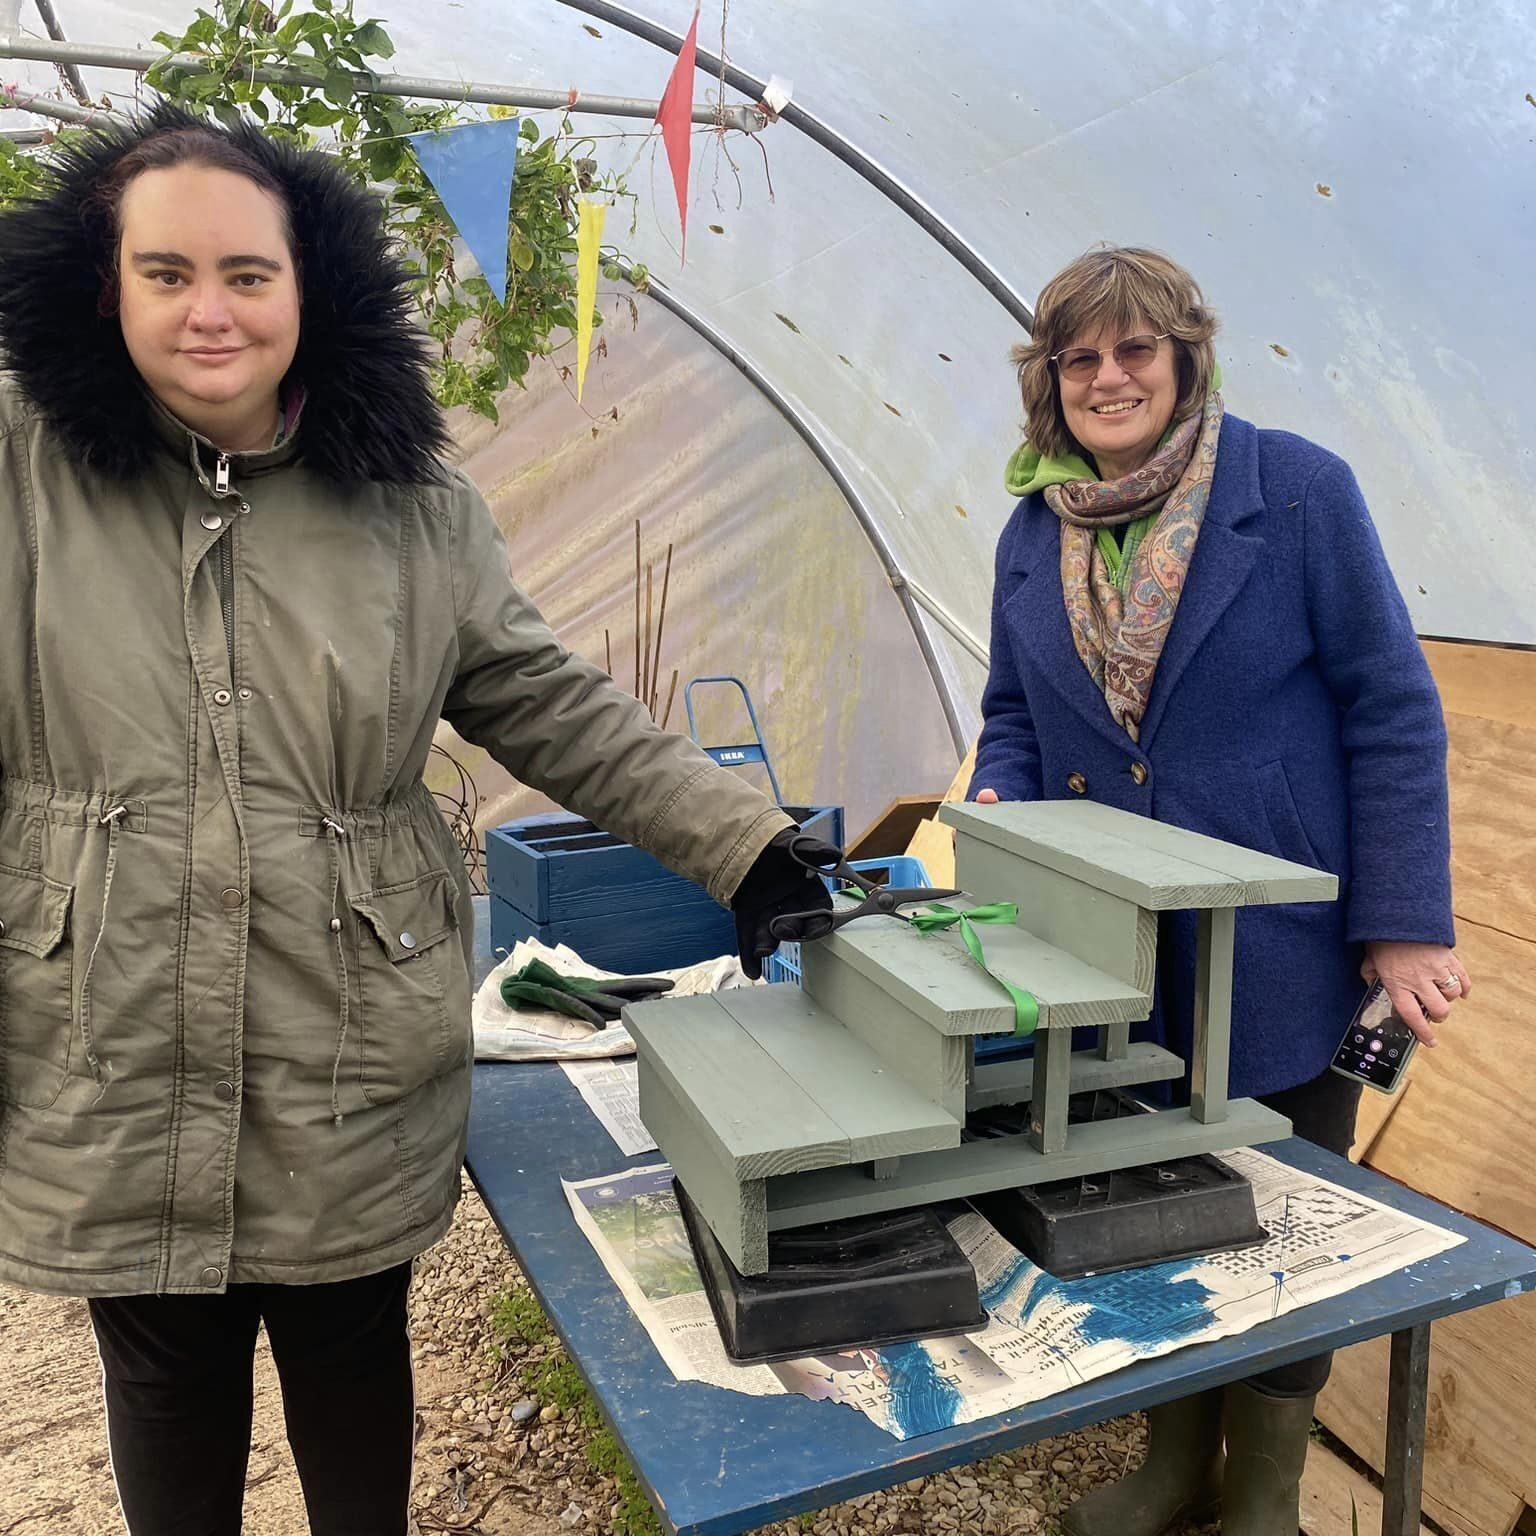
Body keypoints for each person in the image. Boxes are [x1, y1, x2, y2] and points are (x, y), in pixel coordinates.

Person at [0, 104, 826, 1535]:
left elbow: (541, 695)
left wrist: (743, 847)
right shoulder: (23, 473)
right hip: (106, 1015)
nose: (211, 310)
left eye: (248, 274)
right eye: (168, 272)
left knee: (345, 1346)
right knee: (165, 1358)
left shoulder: (412, 508)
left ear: (307, 286)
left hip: (344, 1017)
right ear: (105, 282)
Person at [971, 246, 1468, 1536]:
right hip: (1114, 945)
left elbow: (1393, 708)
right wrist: (1000, 806)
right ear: (1050, 384)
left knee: (1290, 1207)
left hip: (1284, 946)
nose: (1108, 376)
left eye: (1136, 348)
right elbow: (1013, 718)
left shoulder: (1293, 491)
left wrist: (1401, 924)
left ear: (1187, 355)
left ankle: (1265, 1493)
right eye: (1079, 357)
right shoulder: (1036, 532)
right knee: (1150, 1197)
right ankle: (1175, 1460)